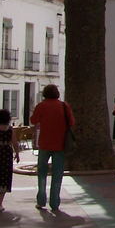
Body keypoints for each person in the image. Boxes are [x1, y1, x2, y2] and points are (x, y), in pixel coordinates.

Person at [30, 84, 75, 213]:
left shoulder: (41, 106)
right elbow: (71, 122)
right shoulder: (64, 106)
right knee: (57, 174)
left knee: (42, 173)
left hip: (44, 143)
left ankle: (41, 200)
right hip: (60, 144)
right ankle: (55, 203)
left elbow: (33, 120)